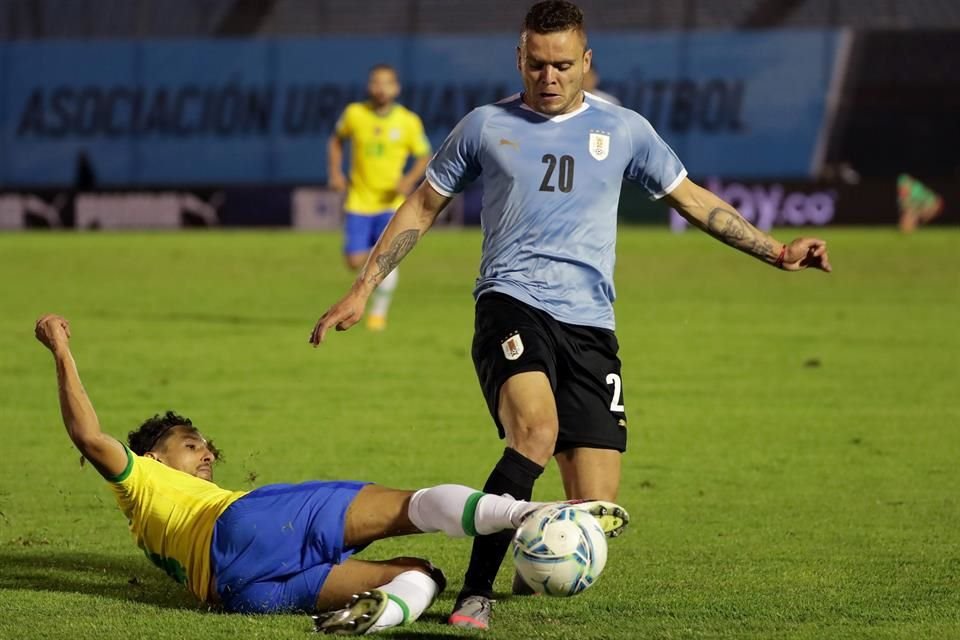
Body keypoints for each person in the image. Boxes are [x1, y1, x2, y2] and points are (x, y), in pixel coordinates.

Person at [310, 0, 831, 630]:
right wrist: (364, 287)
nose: (549, 78)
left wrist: (777, 252)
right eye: (536, 64)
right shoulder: (483, 126)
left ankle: (535, 560)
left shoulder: (627, 130)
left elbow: (693, 200)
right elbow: (423, 205)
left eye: (562, 65)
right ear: (519, 59)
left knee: (594, 509)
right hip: (510, 303)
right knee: (534, 432)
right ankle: (476, 591)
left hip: (591, 325)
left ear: (587, 62)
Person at [34, 313, 628, 635]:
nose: (206, 454)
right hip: (247, 526)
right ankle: (535, 513)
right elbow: (89, 436)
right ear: (155, 458)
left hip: (235, 593)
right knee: (412, 507)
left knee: (420, 574)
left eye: (208, 447)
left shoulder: (154, 526)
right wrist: (62, 349)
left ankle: (382, 616)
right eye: (192, 446)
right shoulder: (142, 480)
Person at [327, 64, 432, 331]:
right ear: (369, 86)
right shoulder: (354, 114)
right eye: (376, 82)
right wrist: (336, 172)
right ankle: (380, 270)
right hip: (359, 201)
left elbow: (424, 154)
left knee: (387, 255)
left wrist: (409, 180)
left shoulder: (408, 121)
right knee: (353, 261)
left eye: (387, 83)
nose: (381, 88)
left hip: (390, 203)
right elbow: (336, 141)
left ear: (396, 88)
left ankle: (378, 313)